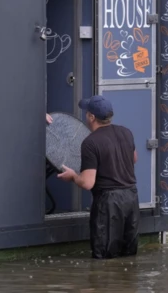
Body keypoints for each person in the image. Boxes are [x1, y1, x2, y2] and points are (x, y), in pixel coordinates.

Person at [57, 95, 140, 259]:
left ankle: (102, 285)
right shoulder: (126, 132)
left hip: (109, 203)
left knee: (104, 257)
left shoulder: (91, 142)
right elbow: (134, 159)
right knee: (128, 255)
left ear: (91, 117)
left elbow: (88, 183)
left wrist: (73, 176)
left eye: (87, 112)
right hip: (131, 198)